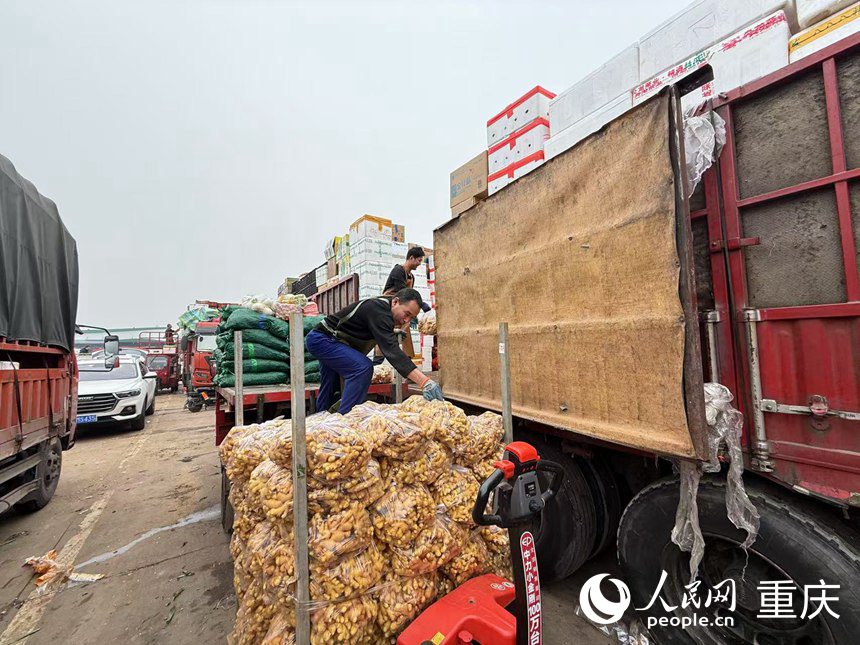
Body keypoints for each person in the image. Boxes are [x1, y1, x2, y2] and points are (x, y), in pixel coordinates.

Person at [306, 288, 443, 414]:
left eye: (411, 318)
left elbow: (379, 330)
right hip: (323, 340)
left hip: (329, 341)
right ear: (395, 302)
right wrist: (424, 381)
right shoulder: (378, 309)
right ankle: (345, 421)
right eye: (406, 314)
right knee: (362, 368)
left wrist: (393, 332)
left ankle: (321, 420)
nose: (406, 320)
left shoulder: (386, 311)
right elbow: (392, 350)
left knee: (330, 383)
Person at [384, 247, 432, 313]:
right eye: (419, 260)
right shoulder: (398, 270)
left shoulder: (412, 277)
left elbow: (409, 294)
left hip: (402, 304)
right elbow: (403, 292)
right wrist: (421, 303)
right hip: (389, 304)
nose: (420, 263)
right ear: (411, 258)